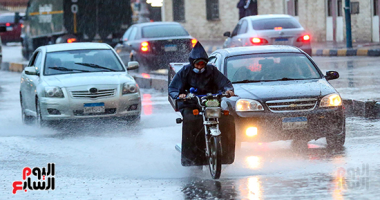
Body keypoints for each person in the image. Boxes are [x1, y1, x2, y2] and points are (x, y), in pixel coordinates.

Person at [169, 42, 235, 166]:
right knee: (191, 119)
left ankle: (226, 155)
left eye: (202, 64)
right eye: (197, 64)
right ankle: (191, 158)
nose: (200, 67)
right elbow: (173, 88)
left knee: (227, 119)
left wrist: (228, 90)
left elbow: (225, 83)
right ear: (192, 63)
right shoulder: (185, 71)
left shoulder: (212, 70)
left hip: (211, 103)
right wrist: (180, 95)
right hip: (191, 103)